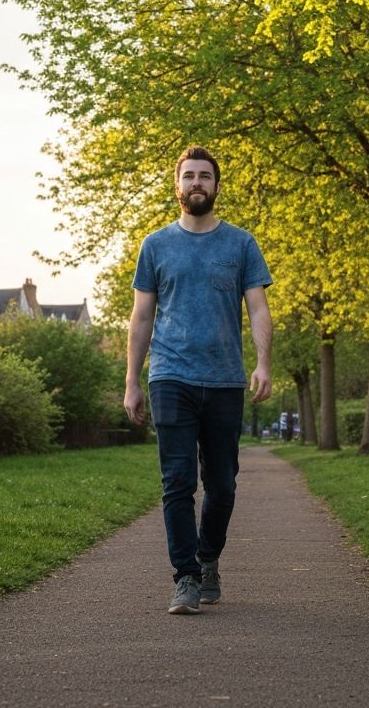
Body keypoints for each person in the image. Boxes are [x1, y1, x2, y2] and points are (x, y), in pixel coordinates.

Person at [124, 145, 273, 615]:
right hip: (170, 376)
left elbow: (259, 308)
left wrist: (264, 363)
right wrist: (132, 379)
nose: (196, 183)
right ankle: (186, 576)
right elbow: (141, 317)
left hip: (226, 379)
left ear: (216, 186)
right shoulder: (155, 245)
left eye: (205, 176)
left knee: (223, 484)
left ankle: (208, 559)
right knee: (178, 482)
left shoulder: (241, 244)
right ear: (177, 186)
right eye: (189, 176)